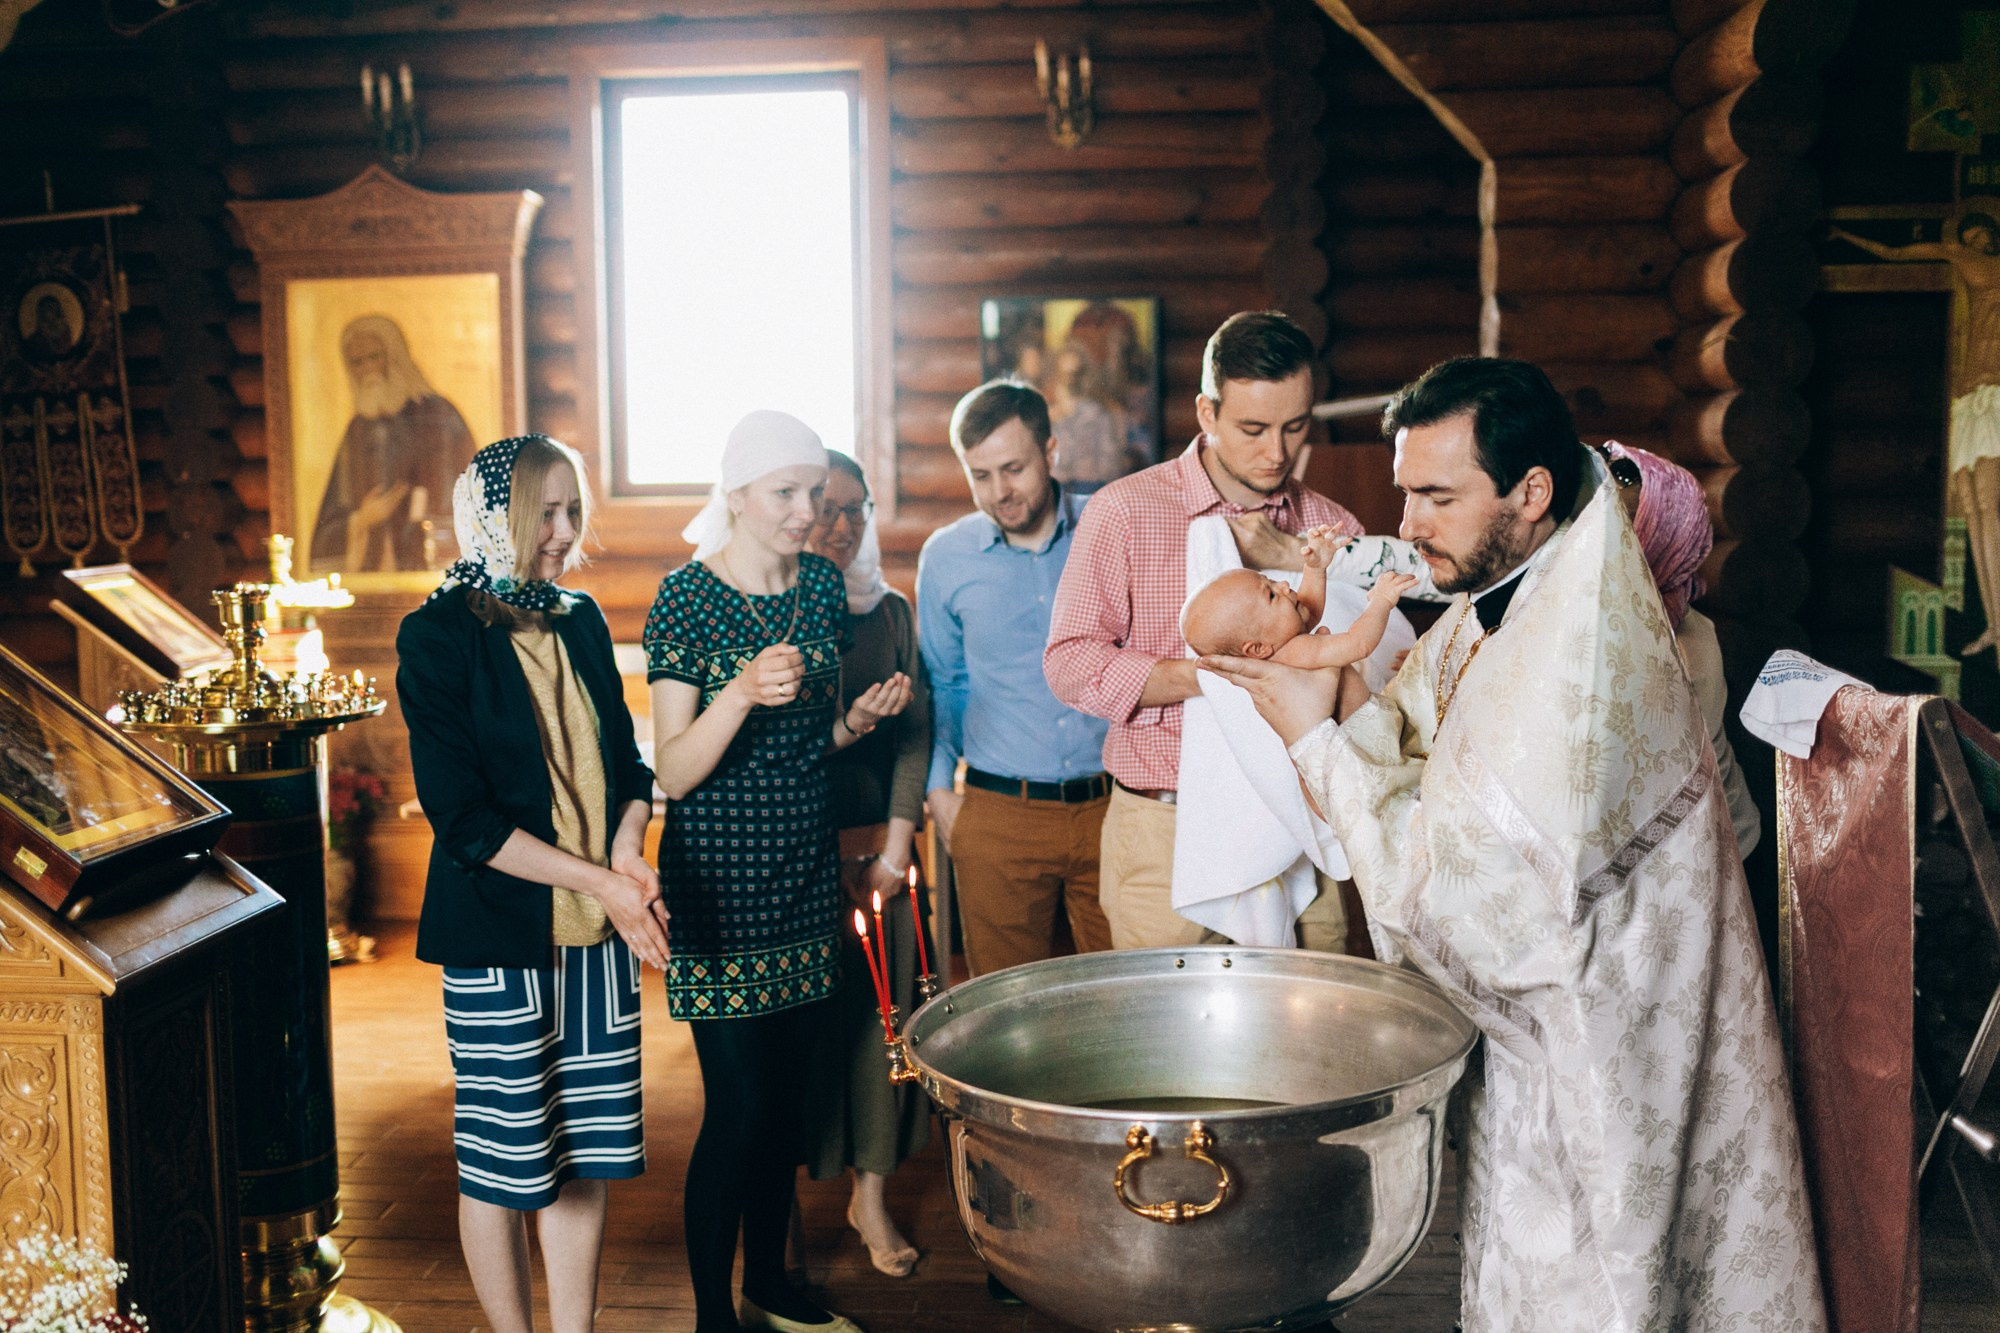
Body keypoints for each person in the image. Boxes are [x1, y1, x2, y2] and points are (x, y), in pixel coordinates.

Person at [1203, 357, 1824, 1331]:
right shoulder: (1507, 597)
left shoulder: (1577, 658)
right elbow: (1412, 720)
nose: (1406, 523)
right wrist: (1333, 700)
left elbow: (1458, 910)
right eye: (1405, 489)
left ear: (1531, 492)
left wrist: (1312, 741)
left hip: (1605, 1072)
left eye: (1437, 495)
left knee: (1598, 1291)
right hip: (1557, 1044)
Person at [395, 433, 669, 1333]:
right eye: (543, 513)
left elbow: (630, 768)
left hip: (598, 935)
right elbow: (466, 823)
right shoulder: (436, 635)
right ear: (492, 518)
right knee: (507, 1159)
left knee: (582, 1154)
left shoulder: (581, 617)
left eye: (572, 510)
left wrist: (628, 856)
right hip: (501, 938)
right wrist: (607, 882)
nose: (563, 531)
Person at [645, 410, 910, 1333]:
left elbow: (808, 743)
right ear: (738, 496)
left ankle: (772, 1283)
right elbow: (670, 768)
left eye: (818, 494)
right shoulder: (688, 597)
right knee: (739, 1107)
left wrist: (858, 724)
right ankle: (713, 1314)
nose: (808, 512)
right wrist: (737, 691)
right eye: (787, 494)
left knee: (789, 1103)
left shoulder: (824, 590)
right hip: (718, 879)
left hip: (801, 871)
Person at [1044, 309, 1363, 951]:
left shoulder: (1331, 528)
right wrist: (1213, 679)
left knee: (1311, 1040)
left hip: (1299, 824)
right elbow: (1070, 664)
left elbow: (1372, 672)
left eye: (1294, 427)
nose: (1277, 452)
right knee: (1163, 1044)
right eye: (1252, 428)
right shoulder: (1124, 513)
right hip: (1164, 825)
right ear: (1206, 414)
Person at [918, 380, 1114, 977]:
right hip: (1000, 812)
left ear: (1051, 453)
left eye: (1013, 468)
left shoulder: (1109, 528)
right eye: (980, 475)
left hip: (1116, 807)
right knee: (1006, 1012)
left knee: (1125, 1000)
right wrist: (938, 793)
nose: (999, 491)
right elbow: (942, 683)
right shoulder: (946, 558)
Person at [802, 450, 932, 1278]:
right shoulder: (770, 611)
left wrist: (894, 843)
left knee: (886, 1030)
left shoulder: (891, 612)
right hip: (801, 859)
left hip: (881, 853)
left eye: (859, 509)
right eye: (828, 508)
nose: (844, 526)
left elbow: (916, 734)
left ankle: (872, 1196)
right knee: (816, 1035)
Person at [1831, 213, 2000, 658]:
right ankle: (1994, 625)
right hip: (1969, 398)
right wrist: (1847, 234)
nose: (1971, 242)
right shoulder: (1962, 260)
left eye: (1979, 233)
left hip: (1997, 397)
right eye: (1966, 235)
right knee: (1974, 512)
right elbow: (1895, 253)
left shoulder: (1977, 262)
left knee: (1991, 507)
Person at [312, 313, 475, 575]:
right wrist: (360, 521)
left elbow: (464, 500)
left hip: (428, 567)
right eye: (356, 362)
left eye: (374, 357)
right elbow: (330, 520)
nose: (366, 370)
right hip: (372, 572)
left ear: (395, 356)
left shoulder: (438, 416)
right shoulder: (358, 429)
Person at [1181, 527, 1418, 666]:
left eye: (1272, 581)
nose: (1284, 585)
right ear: (1258, 649)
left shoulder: (1282, 643)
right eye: (1272, 595)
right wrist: (1381, 601)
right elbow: (1359, 644)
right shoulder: (1293, 655)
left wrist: (1315, 568)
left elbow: (1310, 609)